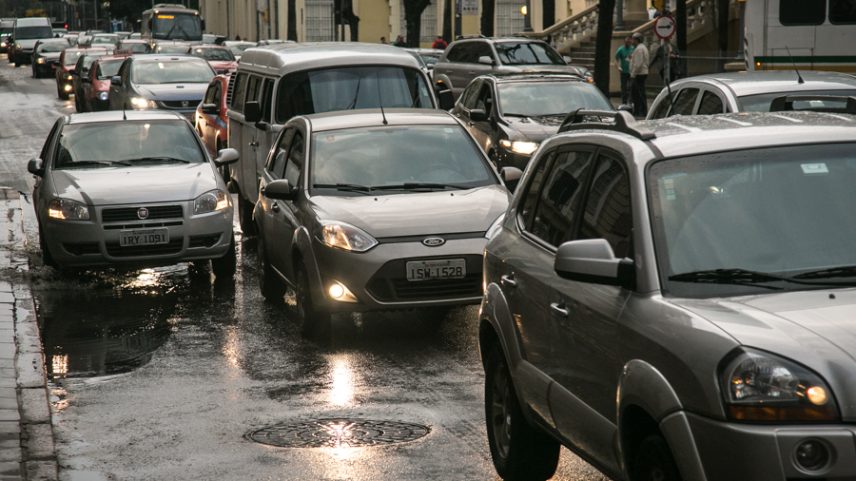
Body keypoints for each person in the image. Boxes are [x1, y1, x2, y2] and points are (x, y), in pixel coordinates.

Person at [629, 32, 650, 117]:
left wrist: (633, 74)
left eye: (633, 39)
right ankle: (641, 111)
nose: (632, 41)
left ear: (637, 40)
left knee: (637, 93)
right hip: (642, 73)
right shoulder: (642, 48)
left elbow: (638, 64)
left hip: (639, 74)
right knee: (639, 93)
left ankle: (640, 111)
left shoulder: (639, 49)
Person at [615, 36, 634, 106]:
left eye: (629, 42)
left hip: (632, 71)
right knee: (624, 87)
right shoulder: (621, 49)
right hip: (624, 71)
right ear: (624, 42)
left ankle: (631, 101)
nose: (628, 43)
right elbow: (616, 59)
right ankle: (624, 102)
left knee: (631, 87)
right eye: (626, 42)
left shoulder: (633, 49)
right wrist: (618, 67)